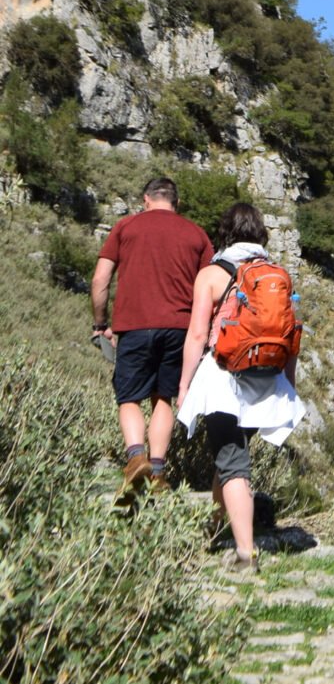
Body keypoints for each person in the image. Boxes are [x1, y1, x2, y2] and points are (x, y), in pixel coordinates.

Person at [176, 202, 306, 572]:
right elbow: (292, 335)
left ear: (225, 233)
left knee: (233, 465)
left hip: (223, 381)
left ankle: (245, 553)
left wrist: (184, 386)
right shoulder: (278, 275)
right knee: (229, 457)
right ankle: (218, 525)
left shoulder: (212, 275)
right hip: (266, 383)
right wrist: (289, 385)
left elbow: (198, 334)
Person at [90, 176, 214, 500]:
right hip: (179, 328)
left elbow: (101, 279)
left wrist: (99, 322)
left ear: (146, 199)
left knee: (128, 397)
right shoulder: (196, 234)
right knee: (164, 397)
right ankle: (157, 473)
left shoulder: (125, 227)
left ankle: (135, 459)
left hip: (133, 325)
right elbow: (210, 288)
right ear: (176, 203)